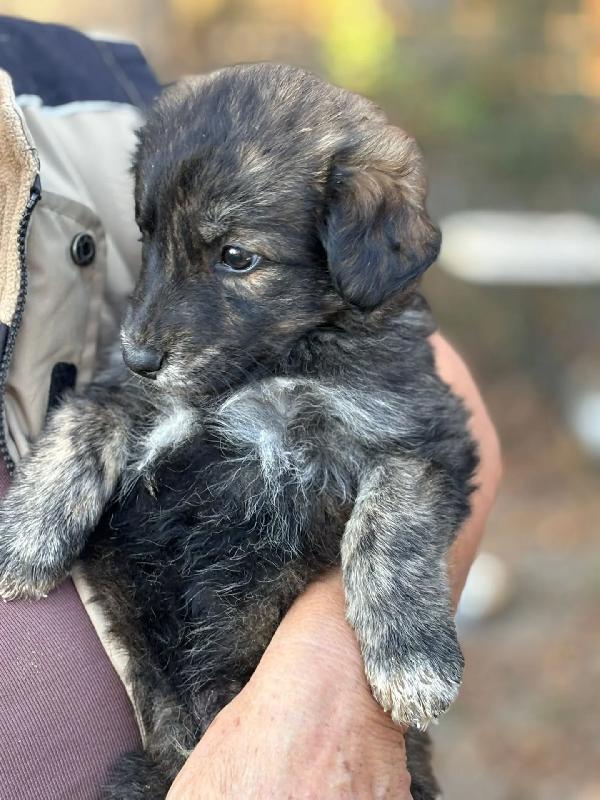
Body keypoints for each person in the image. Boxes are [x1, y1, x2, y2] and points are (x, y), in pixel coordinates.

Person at [0, 16, 501, 800]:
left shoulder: (79, 90)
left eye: (237, 260)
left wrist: (367, 652)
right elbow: (123, 402)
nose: (147, 334)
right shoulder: (172, 153)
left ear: (358, 253)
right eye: (154, 242)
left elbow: (433, 447)